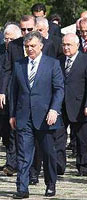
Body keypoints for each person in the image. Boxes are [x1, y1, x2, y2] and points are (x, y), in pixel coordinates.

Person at [9, 31, 64, 198]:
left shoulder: (52, 64)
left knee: (48, 153)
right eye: (26, 46)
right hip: (24, 116)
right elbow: (13, 91)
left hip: (46, 117)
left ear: (41, 46)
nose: (29, 49)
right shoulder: (19, 65)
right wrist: (12, 114)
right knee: (24, 154)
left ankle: (50, 184)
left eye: (32, 46)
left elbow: (59, 89)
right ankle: (22, 188)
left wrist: (54, 109)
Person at [0, 15, 55, 177]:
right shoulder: (14, 46)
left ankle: (34, 172)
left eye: (29, 29)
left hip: (40, 98)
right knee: (17, 133)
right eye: (23, 29)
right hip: (19, 96)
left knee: (37, 138)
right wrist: (3, 91)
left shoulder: (48, 45)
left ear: (36, 27)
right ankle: (16, 166)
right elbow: (7, 69)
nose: (25, 32)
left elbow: (52, 71)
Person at [58, 33, 87, 176]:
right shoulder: (59, 60)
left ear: (77, 45)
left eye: (69, 45)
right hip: (61, 106)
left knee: (82, 139)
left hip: (80, 106)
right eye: (64, 45)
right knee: (59, 138)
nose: (66, 48)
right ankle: (58, 166)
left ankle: (83, 166)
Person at [0, 23, 21, 171]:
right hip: (4, 96)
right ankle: (10, 161)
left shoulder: (20, 50)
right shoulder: (2, 51)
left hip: (17, 95)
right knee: (6, 131)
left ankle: (13, 163)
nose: (8, 42)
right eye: (6, 39)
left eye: (11, 39)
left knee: (15, 131)